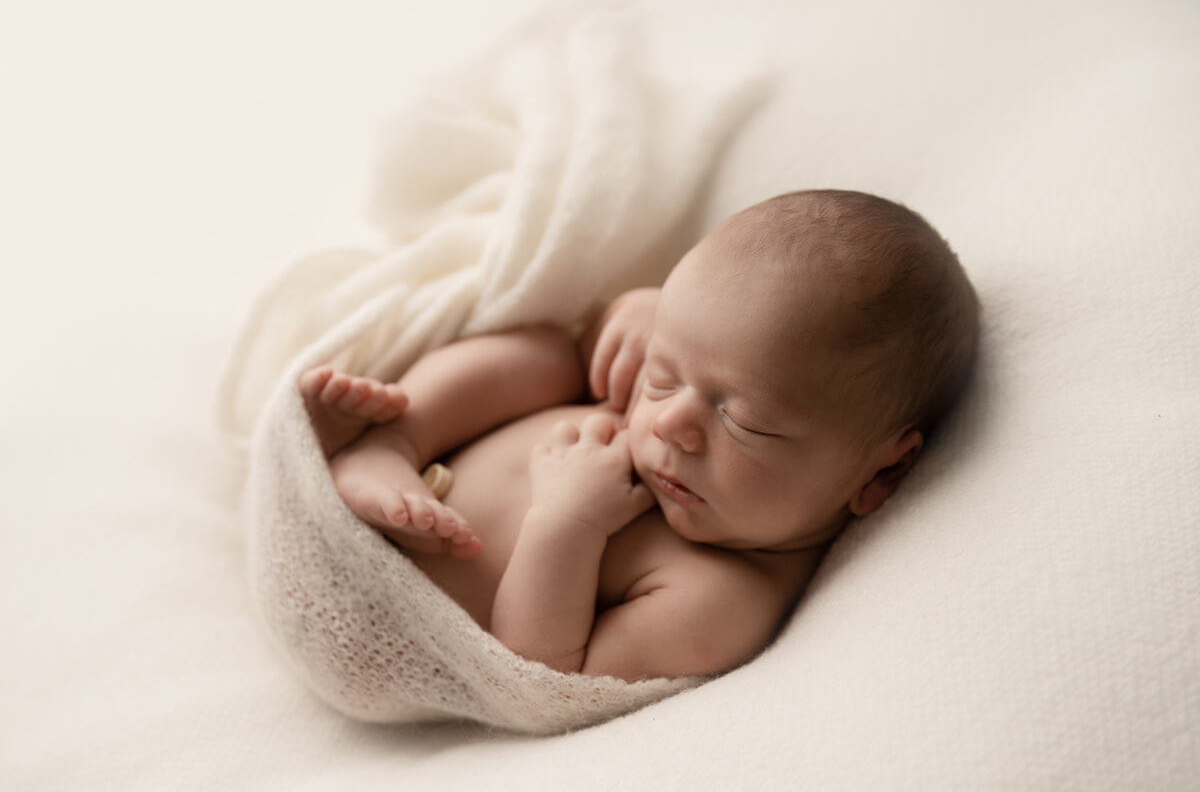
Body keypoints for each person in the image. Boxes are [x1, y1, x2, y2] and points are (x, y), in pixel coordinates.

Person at [297, 189, 980, 682]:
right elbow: (595, 344)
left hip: (375, 594)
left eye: (741, 419)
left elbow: (540, 668)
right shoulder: (687, 400)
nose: (671, 423)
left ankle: (355, 459)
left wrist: (567, 525)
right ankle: (395, 436)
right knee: (542, 352)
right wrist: (633, 319)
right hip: (422, 462)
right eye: (664, 374)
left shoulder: (722, 599)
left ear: (879, 474)